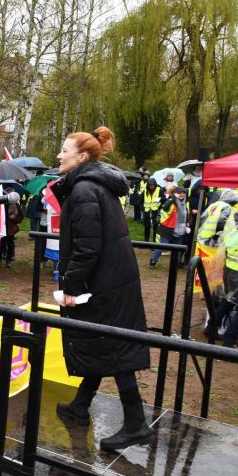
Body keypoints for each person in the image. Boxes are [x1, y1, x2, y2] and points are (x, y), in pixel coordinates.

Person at [52, 126, 153, 451]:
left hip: (104, 286)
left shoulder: (83, 190)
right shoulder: (94, 184)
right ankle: (80, 406)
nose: (59, 155)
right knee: (104, 343)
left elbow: (87, 248)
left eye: (64, 150)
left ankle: (136, 423)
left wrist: (70, 285)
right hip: (111, 282)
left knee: (115, 349)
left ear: (81, 157)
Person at [212, 212, 238, 348]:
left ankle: (211, 328)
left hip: (230, 271)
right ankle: (229, 340)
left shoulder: (233, 234)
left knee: (228, 301)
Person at [150, 185, 188, 267]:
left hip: (179, 230)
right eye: (180, 193)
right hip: (167, 228)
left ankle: (175, 264)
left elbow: (186, 216)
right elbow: (165, 208)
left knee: (178, 249)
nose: (182, 194)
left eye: (184, 193)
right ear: (176, 194)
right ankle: (153, 261)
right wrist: (174, 198)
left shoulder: (185, 204)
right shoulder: (171, 202)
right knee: (161, 247)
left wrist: (187, 225)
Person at [141, 178, 162, 242]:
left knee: (156, 227)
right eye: (150, 185)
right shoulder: (145, 191)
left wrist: (159, 199)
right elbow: (140, 201)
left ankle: (154, 242)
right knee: (147, 227)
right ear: (148, 186)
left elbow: (163, 199)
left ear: (155, 185)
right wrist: (143, 209)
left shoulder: (159, 190)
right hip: (147, 212)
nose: (152, 187)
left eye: (153, 185)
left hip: (156, 211)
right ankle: (146, 242)